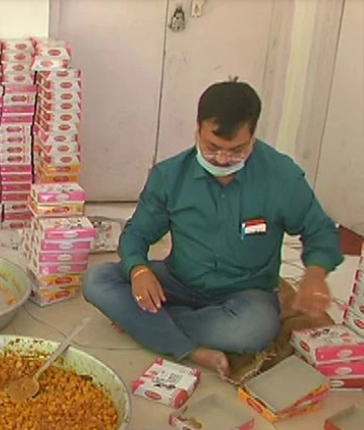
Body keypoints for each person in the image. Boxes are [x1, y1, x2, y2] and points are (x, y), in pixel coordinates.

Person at [82, 80, 343, 377]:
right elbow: (137, 233)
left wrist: (316, 272)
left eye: (236, 151)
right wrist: (139, 270)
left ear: (253, 137)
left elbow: (319, 229)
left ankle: (147, 324)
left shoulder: (280, 177)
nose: (222, 159)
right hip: (178, 281)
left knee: (255, 329)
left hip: (245, 293)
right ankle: (190, 348)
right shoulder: (171, 176)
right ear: (197, 130)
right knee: (97, 280)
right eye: (212, 147)